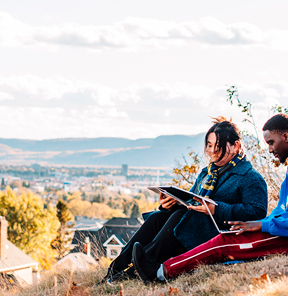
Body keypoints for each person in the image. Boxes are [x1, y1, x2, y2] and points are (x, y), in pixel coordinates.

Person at [132, 113, 288, 283]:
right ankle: (137, 267)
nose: (270, 149)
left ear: (286, 136)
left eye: (271, 143)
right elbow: (286, 211)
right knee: (225, 237)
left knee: (223, 243)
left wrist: (261, 225)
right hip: (280, 228)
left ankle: (160, 272)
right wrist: (261, 224)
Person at [100, 118, 268, 283]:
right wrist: (169, 204)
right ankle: (115, 270)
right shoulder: (207, 173)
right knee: (156, 218)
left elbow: (257, 213)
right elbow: (192, 201)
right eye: (209, 145)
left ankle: (140, 268)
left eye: (217, 146)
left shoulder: (251, 178)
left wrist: (216, 209)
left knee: (182, 217)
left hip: (214, 234)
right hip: (193, 228)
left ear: (236, 145)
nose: (211, 151)